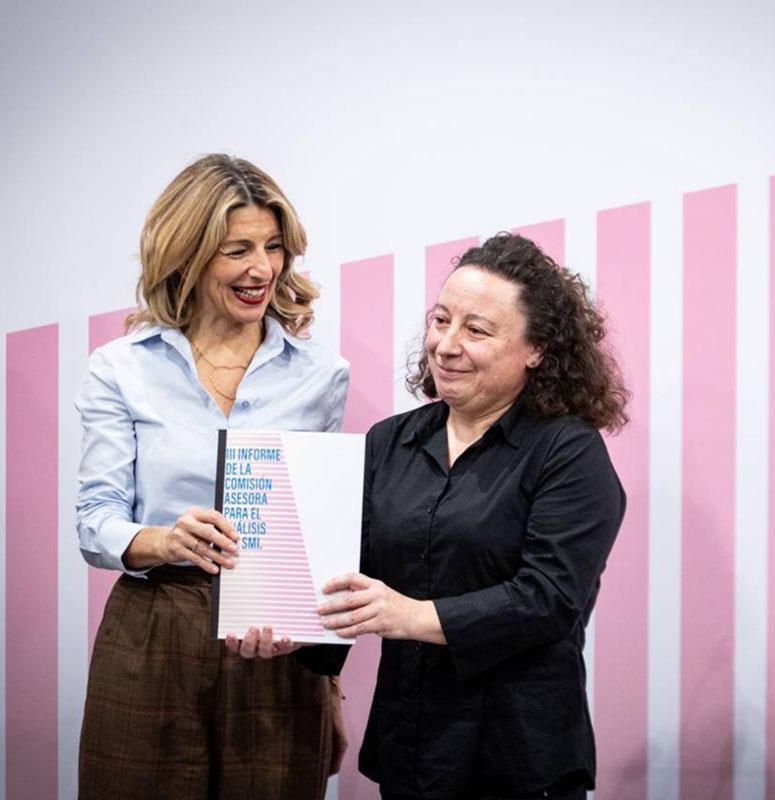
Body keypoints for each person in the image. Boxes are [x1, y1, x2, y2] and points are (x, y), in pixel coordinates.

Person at [75, 154, 349, 799]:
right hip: (154, 629)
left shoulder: (321, 375)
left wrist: (328, 679)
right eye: (238, 250)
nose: (263, 269)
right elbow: (95, 521)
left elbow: (321, 539)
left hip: (277, 646)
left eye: (275, 247)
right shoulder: (121, 368)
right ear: (189, 254)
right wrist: (166, 540)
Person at [318, 233, 628, 799]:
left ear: (537, 349)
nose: (445, 345)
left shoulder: (569, 453)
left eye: (476, 330)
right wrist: (283, 634)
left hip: (517, 758)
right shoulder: (390, 442)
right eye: (440, 321)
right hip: (409, 750)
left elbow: (549, 599)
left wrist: (410, 616)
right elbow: (344, 574)